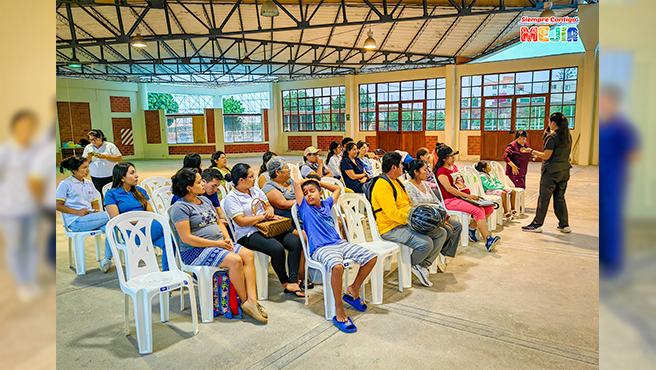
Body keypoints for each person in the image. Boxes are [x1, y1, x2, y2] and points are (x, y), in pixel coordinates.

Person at [170, 168, 267, 323]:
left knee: (248, 255)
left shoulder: (205, 200)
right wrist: (217, 243)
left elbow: (217, 222)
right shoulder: (180, 207)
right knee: (235, 260)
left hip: (218, 244)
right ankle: (245, 303)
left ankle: (252, 300)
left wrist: (227, 239)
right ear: (188, 187)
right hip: (195, 251)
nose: (203, 183)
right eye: (199, 181)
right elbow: (186, 238)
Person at [294, 177, 377, 333]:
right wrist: (310, 180)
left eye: (312, 191)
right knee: (337, 267)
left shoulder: (326, 204)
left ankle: (353, 288)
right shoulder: (304, 207)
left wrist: (318, 183)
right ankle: (339, 307)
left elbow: (337, 189)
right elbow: (296, 184)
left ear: (320, 193)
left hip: (339, 244)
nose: (308, 195)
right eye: (305, 193)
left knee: (371, 257)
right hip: (320, 248)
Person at [223, 163, 306, 298]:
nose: (254, 178)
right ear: (241, 180)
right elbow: (241, 221)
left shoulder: (255, 190)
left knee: (295, 241)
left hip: (268, 227)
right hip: (248, 233)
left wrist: (269, 210)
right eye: (251, 176)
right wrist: (261, 217)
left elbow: (267, 204)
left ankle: (293, 280)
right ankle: (285, 281)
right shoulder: (232, 198)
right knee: (277, 248)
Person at [371, 152, 448, 287]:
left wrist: (422, 217)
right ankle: (413, 264)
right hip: (390, 227)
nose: (403, 168)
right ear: (393, 167)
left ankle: (421, 265)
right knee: (425, 243)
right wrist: (412, 219)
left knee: (441, 233)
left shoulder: (397, 182)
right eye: (401, 165)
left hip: (405, 221)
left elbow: (408, 203)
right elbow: (392, 213)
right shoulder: (382, 185)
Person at [599, 84, 641, 277]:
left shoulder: (621, 126)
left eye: (604, 100)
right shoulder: (604, 124)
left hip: (614, 180)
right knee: (605, 219)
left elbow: (634, 154)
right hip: (605, 179)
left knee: (613, 219)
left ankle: (614, 262)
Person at [0, 111, 41, 299]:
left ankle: (30, 279)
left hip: (31, 206)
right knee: (15, 246)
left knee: (31, 245)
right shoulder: (5, 151)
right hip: (10, 208)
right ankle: (23, 283)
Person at [104, 162, 169, 271]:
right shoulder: (111, 194)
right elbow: (116, 219)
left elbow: (151, 213)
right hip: (131, 232)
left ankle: (168, 272)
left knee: (169, 241)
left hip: (149, 228)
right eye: (132, 173)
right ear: (123, 178)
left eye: (135, 172)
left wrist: (142, 218)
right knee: (170, 226)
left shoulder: (140, 191)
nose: (136, 175)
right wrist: (140, 219)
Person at [434, 145, 500, 251]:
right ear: (444, 159)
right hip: (450, 200)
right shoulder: (441, 171)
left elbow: (460, 183)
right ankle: (488, 240)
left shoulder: (454, 168)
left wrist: (469, 196)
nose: (454, 158)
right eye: (451, 156)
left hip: (462, 198)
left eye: (453, 155)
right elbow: (449, 189)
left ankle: (472, 227)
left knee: (489, 207)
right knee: (478, 210)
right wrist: (468, 196)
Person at [56, 156, 112, 272]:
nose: (88, 170)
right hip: (75, 221)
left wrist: (96, 211)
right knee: (113, 215)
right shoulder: (65, 184)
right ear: (74, 170)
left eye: (88, 167)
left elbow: (95, 201)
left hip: (90, 218)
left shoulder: (89, 183)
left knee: (111, 227)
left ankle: (107, 260)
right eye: (84, 168)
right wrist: (77, 212)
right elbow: (57, 205)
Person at [404, 160, 461, 270]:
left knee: (457, 226)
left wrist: (444, 217)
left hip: (436, 217)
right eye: (424, 170)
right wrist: (438, 220)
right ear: (416, 172)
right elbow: (417, 207)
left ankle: (441, 253)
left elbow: (436, 201)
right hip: (423, 219)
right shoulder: (409, 186)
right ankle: (426, 263)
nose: (427, 172)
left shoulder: (425, 185)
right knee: (446, 231)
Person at [522, 112, 573, 233]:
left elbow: (546, 155)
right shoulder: (567, 136)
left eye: (549, 122)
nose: (548, 124)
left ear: (553, 123)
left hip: (551, 173)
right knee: (560, 198)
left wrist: (531, 151)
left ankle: (536, 224)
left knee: (544, 199)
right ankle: (564, 224)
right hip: (564, 171)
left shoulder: (552, 137)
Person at [82, 129, 123, 197]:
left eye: (94, 139)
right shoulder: (88, 147)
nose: (93, 142)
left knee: (113, 193)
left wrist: (104, 156)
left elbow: (119, 158)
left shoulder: (110, 146)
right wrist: (89, 156)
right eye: (90, 140)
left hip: (111, 174)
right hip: (96, 175)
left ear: (100, 137)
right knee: (99, 194)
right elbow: (84, 163)